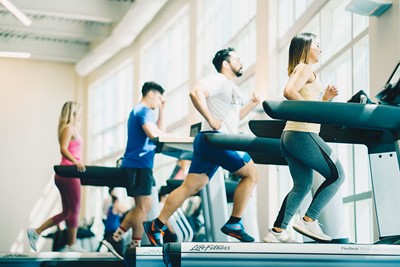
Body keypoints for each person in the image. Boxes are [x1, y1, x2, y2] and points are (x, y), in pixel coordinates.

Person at [143, 47, 260, 247]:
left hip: (210, 140)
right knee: (251, 174)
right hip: (216, 139)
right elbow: (195, 92)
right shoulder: (219, 80)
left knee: (190, 186)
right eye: (237, 59)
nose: (241, 62)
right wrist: (210, 119)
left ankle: (157, 225)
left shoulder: (230, 87)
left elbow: (232, 119)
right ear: (225, 63)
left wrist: (249, 105)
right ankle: (234, 223)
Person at [263, 32, 345, 243]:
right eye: (317, 45)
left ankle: (277, 232)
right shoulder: (304, 68)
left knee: (302, 185)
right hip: (302, 133)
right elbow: (289, 91)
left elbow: (310, 107)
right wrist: (309, 112)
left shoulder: (303, 71)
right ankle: (309, 220)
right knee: (337, 175)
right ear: (306, 47)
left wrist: (326, 99)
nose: (320, 49)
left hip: (291, 136)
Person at [102, 81, 169, 260]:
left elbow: (160, 130)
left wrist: (162, 108)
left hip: (141, 164)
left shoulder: (143, 112)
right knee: (142, 207)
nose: (158, 102)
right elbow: (155, 135)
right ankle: (132, 245)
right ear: (152, 94)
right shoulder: (142, 111)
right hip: (138, 165)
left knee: (143, 206)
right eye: (159, 98)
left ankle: (117, 238)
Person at [27, 101, 86, 252]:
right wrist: (76, 162)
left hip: (66, 173)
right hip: (68, 172)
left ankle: (36, 232)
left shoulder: (72, 129)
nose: (80, 115)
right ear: (73, 112)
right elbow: (63, 149)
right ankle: (72, 245)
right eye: (78, 111)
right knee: (75, 209)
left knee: (67, 212)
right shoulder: (68, 128)